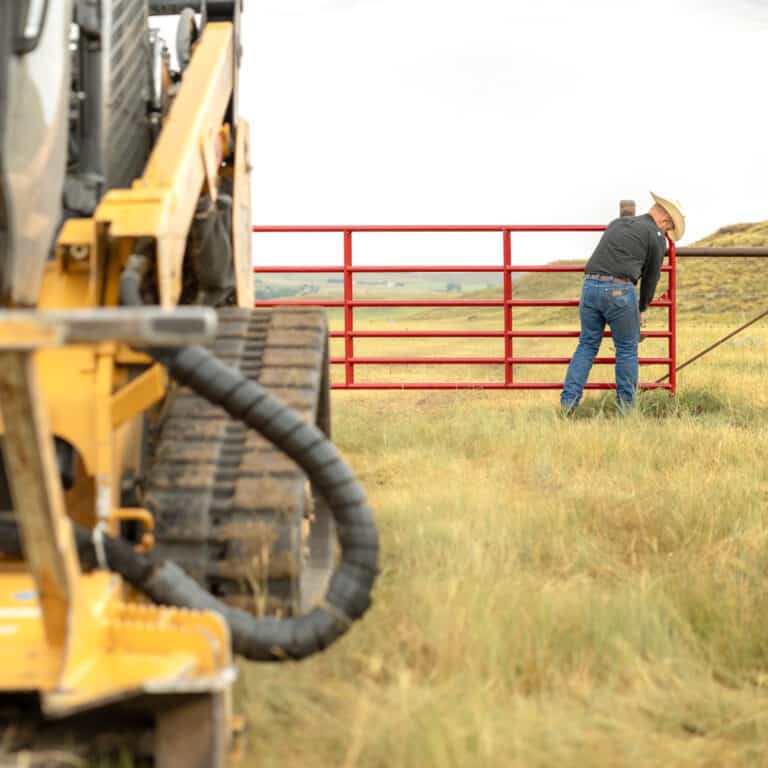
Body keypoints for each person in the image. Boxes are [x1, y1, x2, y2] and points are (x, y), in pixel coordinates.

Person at [560, 192, 685, 413]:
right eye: (668, 229)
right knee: (627, 349)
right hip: (619, 290)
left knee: (587, 345)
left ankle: (568, 403)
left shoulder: (617, 224)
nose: (666, 233)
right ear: (665, 221)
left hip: (589, 287)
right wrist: (642, 308)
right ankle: (626, 411)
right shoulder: (655, 235)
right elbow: (651, 278)